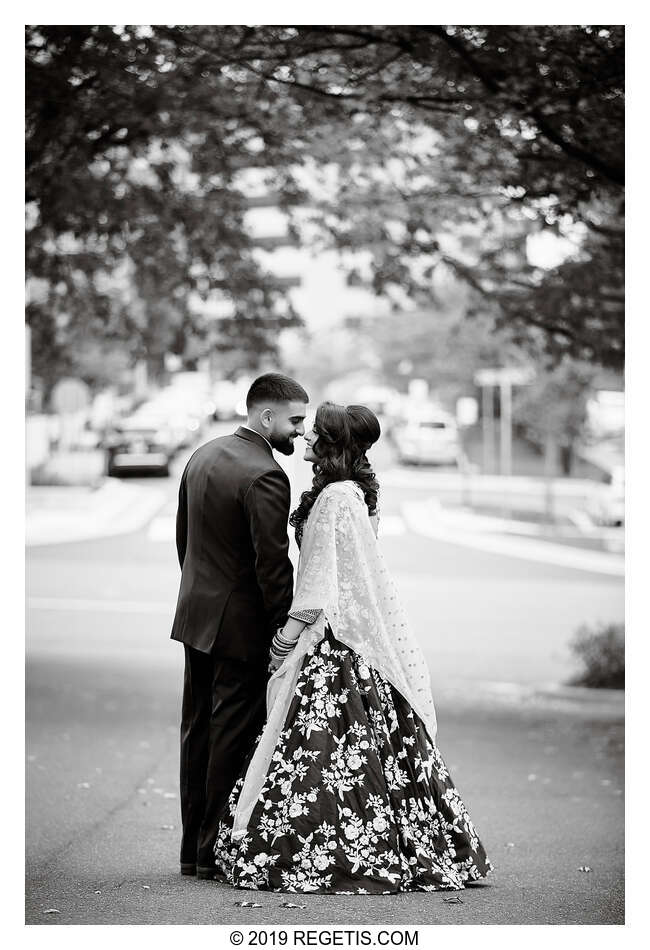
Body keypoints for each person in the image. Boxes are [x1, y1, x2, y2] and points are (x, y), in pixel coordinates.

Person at [213, 402, 493, 894]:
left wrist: (283, 641)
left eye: (314, 433)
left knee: (318, 756)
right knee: (359, 757)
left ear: (333, 444)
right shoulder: (356, 492)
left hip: (331, 639)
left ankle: (331, 851)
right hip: (352, 638)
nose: (306, 439)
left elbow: (320, 583)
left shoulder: (335, 498)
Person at [170, 373, 309, 879]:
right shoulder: (267, 476)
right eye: (295, 420)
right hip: (240, 629)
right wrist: (283, 634)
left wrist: (201, 594)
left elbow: (184, 541)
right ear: (265, 416)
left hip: (196, 617)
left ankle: (192, 851)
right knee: (230, 736)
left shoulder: (202, 454)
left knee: (197, 732)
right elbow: (272, 568)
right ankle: (211, 853)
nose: (300, 430)